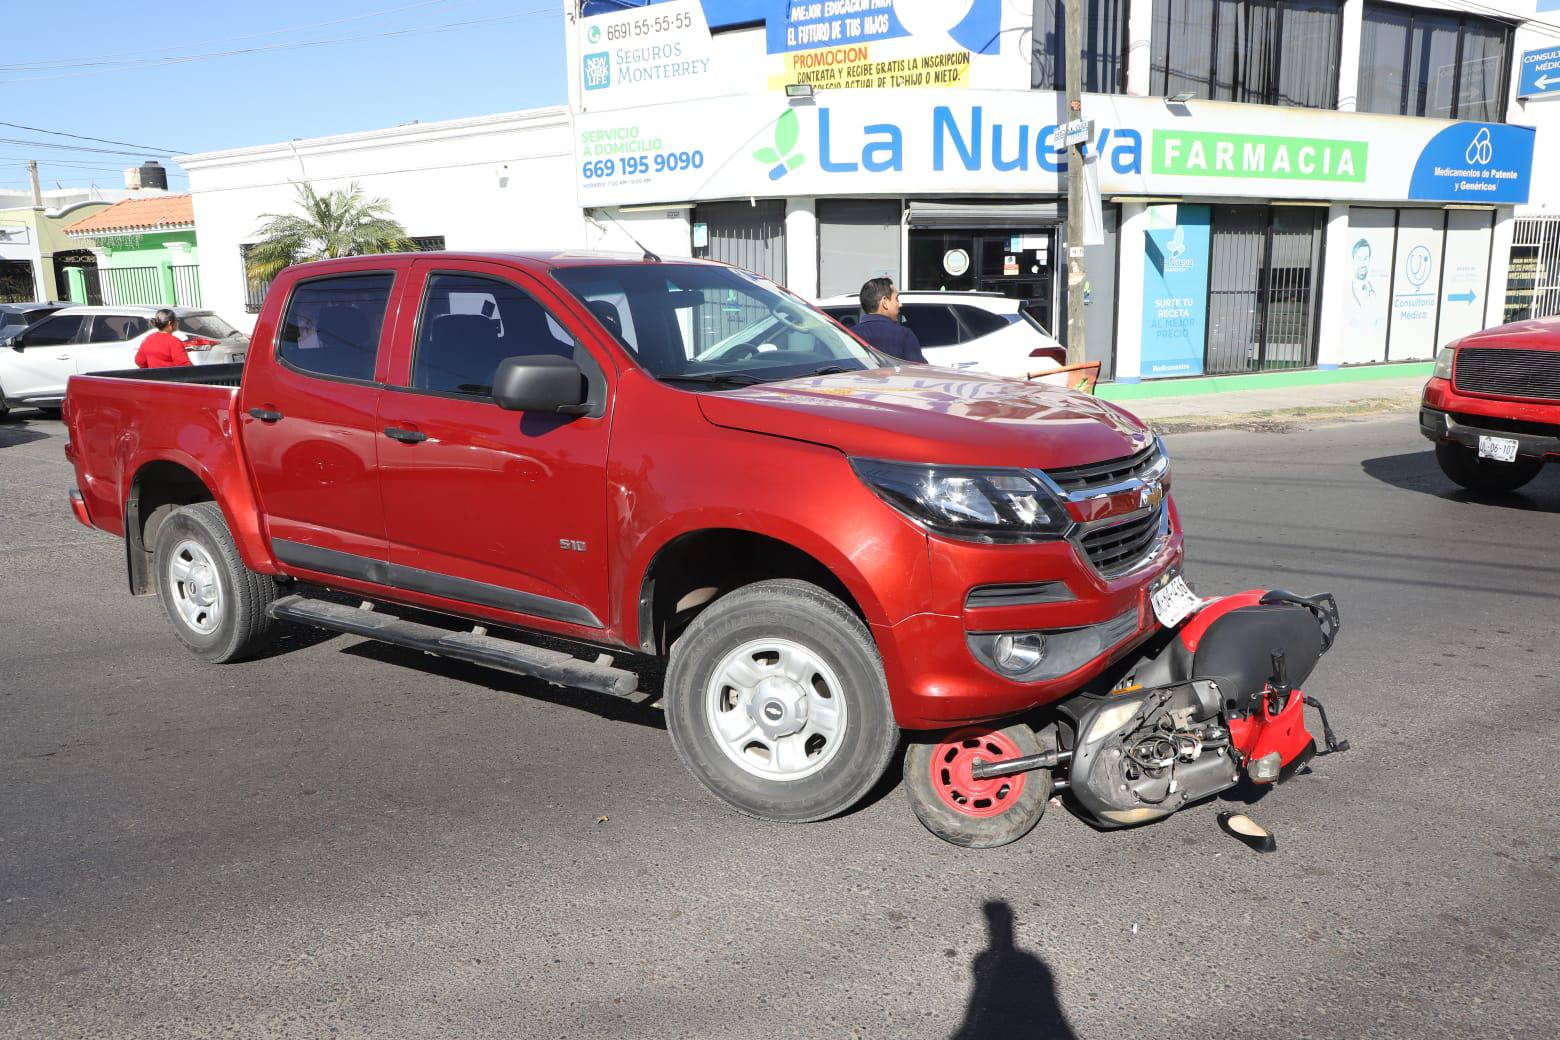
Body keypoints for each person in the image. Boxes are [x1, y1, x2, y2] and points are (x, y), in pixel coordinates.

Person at [852, 277, 926, 363]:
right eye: (896, 299)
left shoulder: (849, 336)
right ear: (884, 302)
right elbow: (917, 370)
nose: (900, 304)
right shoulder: (903, 334)